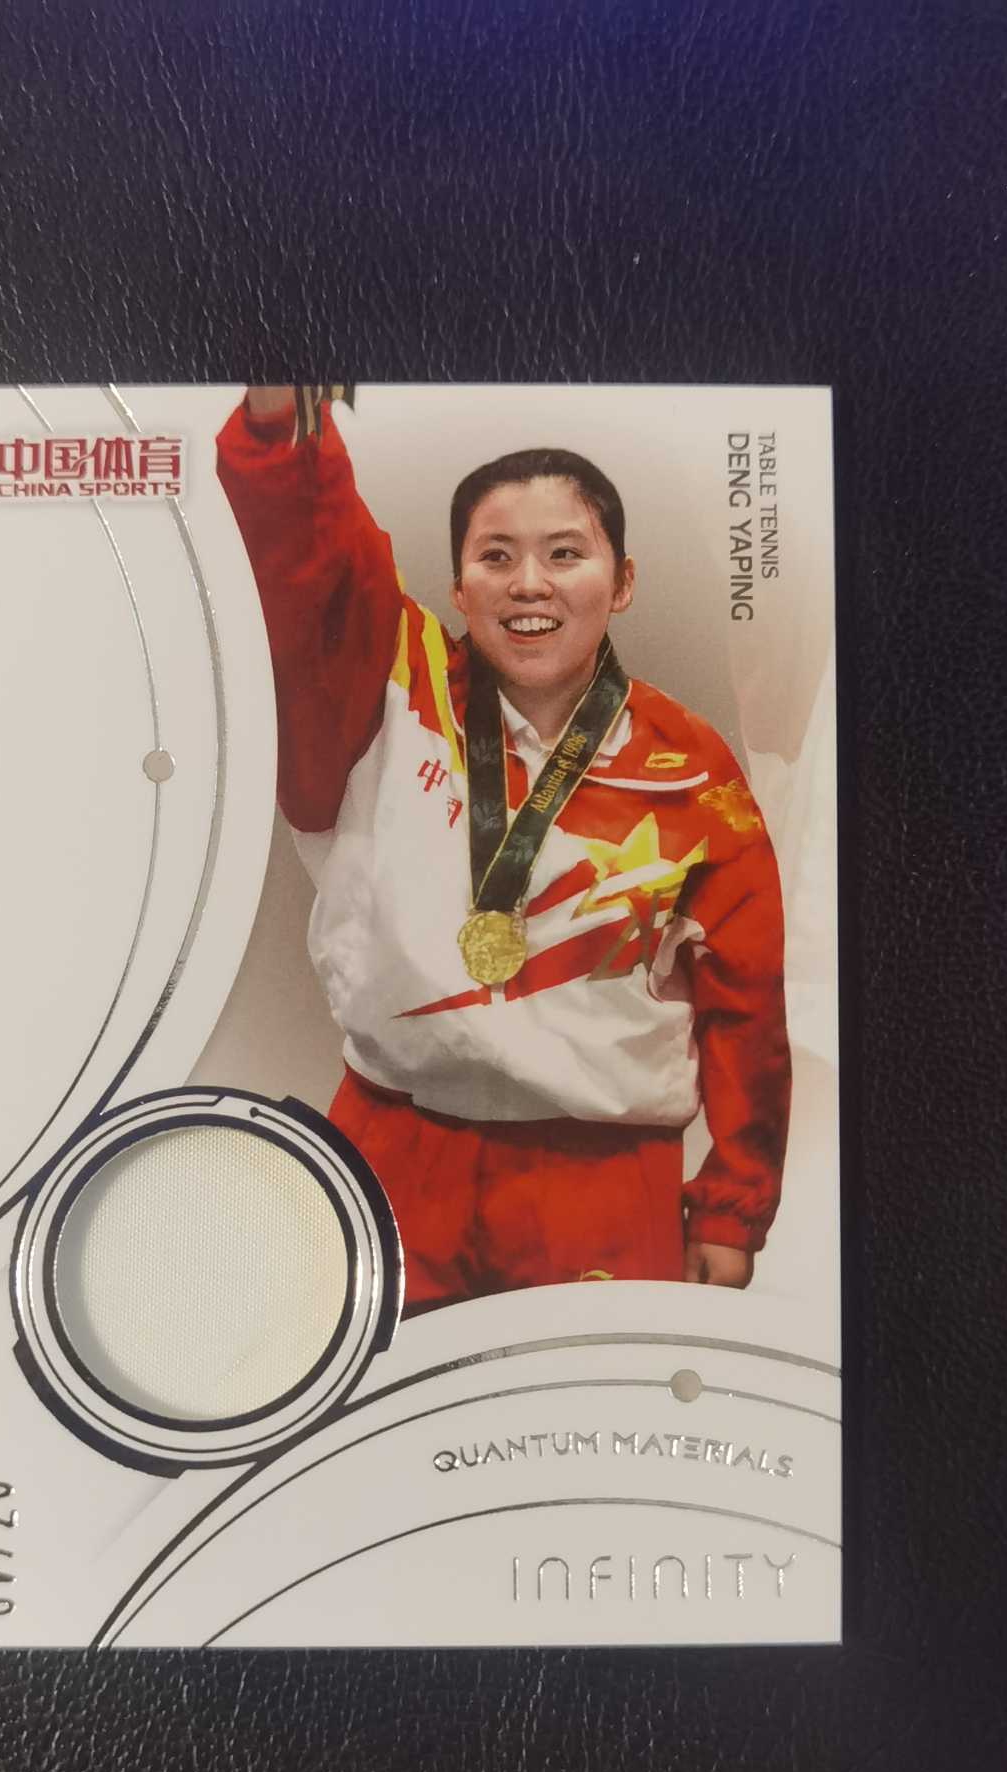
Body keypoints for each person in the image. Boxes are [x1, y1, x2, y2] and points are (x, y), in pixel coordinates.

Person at [217, 385, 790, 1313]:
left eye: (565, 554)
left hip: (599, 1180)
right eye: (496, 556)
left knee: (585, 1406)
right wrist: (284, 431)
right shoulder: (393, 681)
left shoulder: (691, 769)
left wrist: (733, 1206)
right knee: (363, 1404)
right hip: (392, 1150)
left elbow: (747, 1001)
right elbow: (313, 567)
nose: (530, 584)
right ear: (457, 588)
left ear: (622, 581)